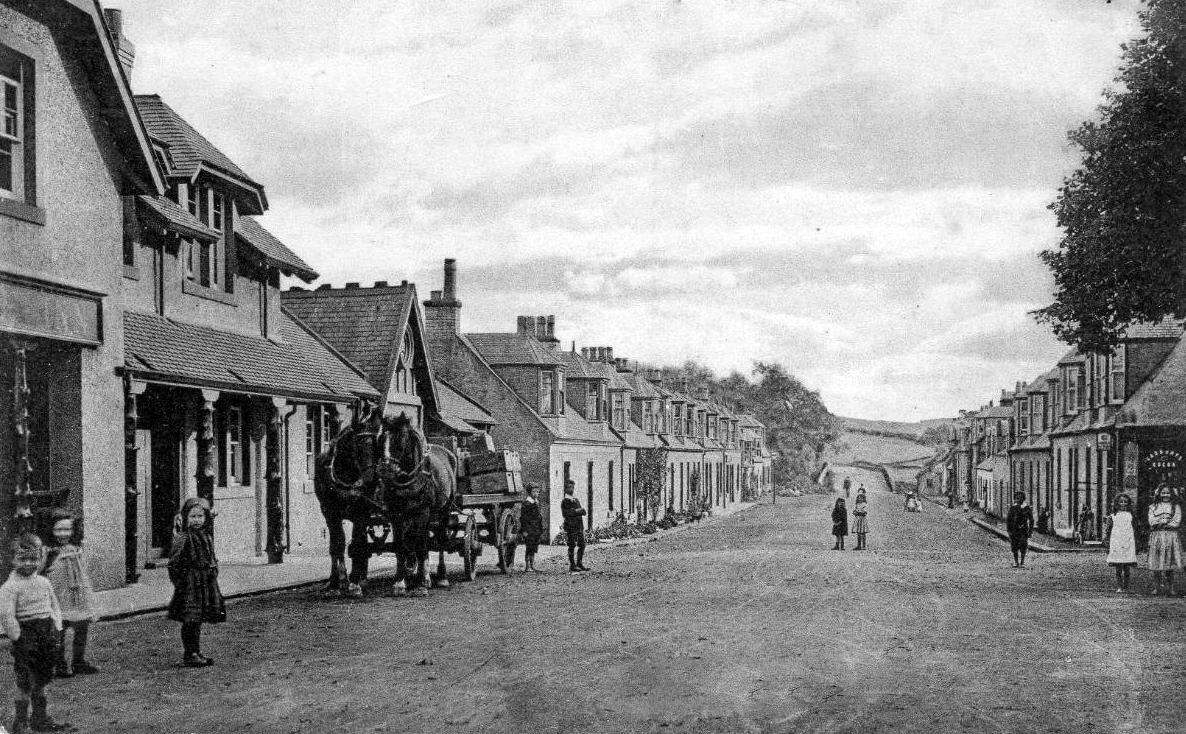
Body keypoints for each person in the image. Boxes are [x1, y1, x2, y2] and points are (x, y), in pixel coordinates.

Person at [0, 533, 69, 733]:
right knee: (26, 681)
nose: (29, 563)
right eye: (23, 559)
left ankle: (40, 718)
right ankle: (20, 722)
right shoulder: (10, 587)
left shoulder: (43, 582)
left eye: (34, 559)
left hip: (46, 632)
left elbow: (53, 603)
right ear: (13, 559)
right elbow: (6, 614)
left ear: (40, 559)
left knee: (43, 677)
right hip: (26, 634)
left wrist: (57, 624)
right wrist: (17, 636)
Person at [167, 497, 225, 667]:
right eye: (193, 517)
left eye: (200, 516)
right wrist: (181, 583)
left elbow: (211, 556)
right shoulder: (183, 538)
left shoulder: (206, 536)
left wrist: (213, 570)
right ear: (186, 518)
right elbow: (174, 564)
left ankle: (196, 650)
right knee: (190, 618)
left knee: (198, 618)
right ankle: (190, 653)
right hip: (190, 584)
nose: (197, 520)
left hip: (204, 582)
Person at [42, 509, 98, 678]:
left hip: (78, 592)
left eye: (67, 530)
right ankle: (60, 663)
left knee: (82, 626)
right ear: (51, 531)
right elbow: (40, 570)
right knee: (61, 628)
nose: (63, 534)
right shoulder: (49, 551)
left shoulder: (76, 548)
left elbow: (82, 569)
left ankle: (78, 660)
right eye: (58, 530)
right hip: (59, 593)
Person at [1147, 485, 1183, 596]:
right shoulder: (1153, 506)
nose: (1165, 495)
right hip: (1157, 536)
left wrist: (1167, 524)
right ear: (1158, 494)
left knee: (1169, 563)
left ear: (1172, 494)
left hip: (1170, 537)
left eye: (1168, 493)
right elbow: (1151, 520)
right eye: (1163, 492)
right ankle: (1156, 587)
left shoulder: (1175, 507)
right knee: (1156, 563)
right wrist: (1158, 523)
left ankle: (1171, 587)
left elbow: (1177, 520)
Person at [1104, 493, 1138, 593]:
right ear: (1117, 503)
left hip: (1128, 542)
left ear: (1128, 504)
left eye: (1125, 502)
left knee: (1127, 566)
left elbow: (1135, 528)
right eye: (1121, 502)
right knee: (1118, 567)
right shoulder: (1113, 516)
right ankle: (1119, 586)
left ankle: (1126, 586)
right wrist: (1108, 543)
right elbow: (1108, 530)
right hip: (1117, 542)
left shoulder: (1131, 515)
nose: (1123, 504)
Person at [560, 480, 588, 572]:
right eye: (569, 487)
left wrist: (579, 511)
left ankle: (579, 563)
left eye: (572, 487)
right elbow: (566, 513)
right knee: (572, 545)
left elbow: (583, 511)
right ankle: (572, 565)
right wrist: (577, 511)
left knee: (582, 544)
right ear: (565, 489)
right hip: (571, 526)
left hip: (579, 525)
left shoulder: (575, 500)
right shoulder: (565, 501)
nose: (571, 489)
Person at [519, 484, 544, 572]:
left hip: (536, 529)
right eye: (534, 492)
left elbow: (538, 517)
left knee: (534, 547)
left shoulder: (536, 502)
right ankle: (527, 566)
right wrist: (524, 530)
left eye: (537, 492)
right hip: (529, 529)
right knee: (529, 547)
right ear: (529, 492)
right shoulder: (527, 503)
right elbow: (523, 518)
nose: (536, 494)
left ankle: (532, 565)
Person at [1006, 491, 1034, 568]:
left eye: (1020, 498)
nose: (1019, 500)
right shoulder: (1013, 508)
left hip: (1023, 530)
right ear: (1015, 499)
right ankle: (1016, 562)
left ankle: (1022, 562)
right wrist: (1009, 531)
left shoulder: (1027, 508)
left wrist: (1030, 531)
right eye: (1017, 498)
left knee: (1023, 545)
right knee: (1014, 546)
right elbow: (1008, 520)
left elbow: (1031, 520)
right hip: (1014, 530)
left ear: (1023, 499)